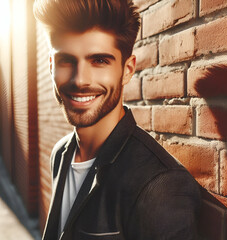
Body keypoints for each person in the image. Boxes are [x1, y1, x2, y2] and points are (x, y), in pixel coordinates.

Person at [33, 0, 201, 239]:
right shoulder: (60, 153)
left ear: (127, 70)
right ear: (51, 66)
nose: (80, 80)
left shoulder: (159, 185)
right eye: (66, 60)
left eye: (99, 60)